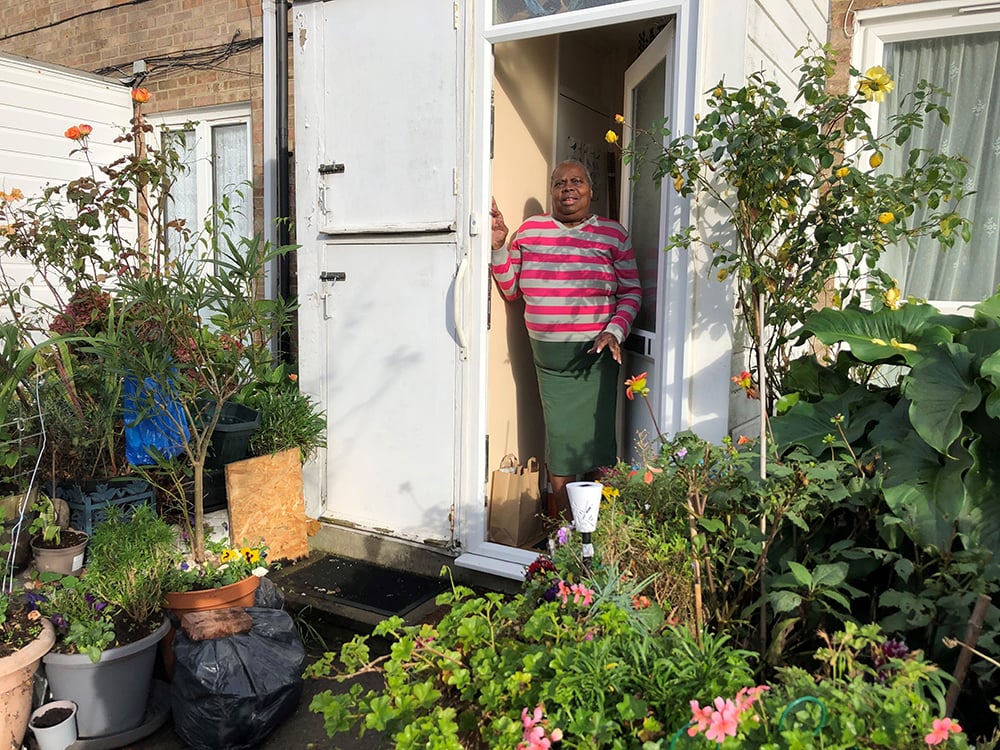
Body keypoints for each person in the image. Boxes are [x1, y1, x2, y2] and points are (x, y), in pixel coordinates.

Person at [490, 160, 641, 519]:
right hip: (550, 362)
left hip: (597, 355)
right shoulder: (528, 232)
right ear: (552, 191)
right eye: (559, 183)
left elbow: (632, 292)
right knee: (560, 443)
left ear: (591, 191)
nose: (568, 188)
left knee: (598, 442)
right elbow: (511, 290)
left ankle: (597, 525)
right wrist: (497, 247)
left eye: (576, 182)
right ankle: (565, 528)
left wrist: (614, 330)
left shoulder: (612, 234)